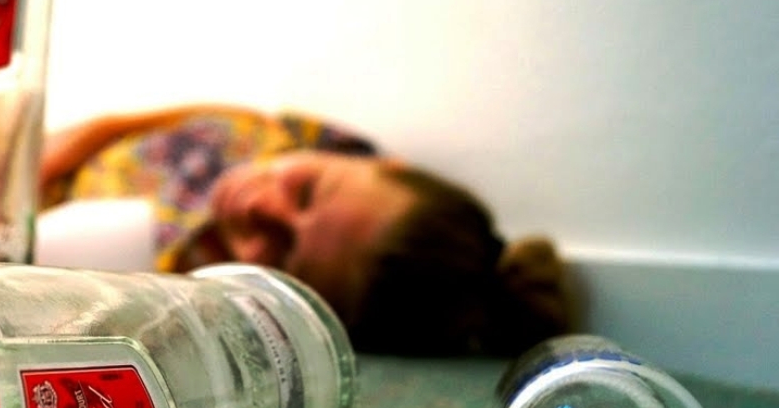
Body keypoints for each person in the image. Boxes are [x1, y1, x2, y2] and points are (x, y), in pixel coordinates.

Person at [38, 103, 575, 356]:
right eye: (306, 190)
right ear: (377, 164)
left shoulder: (175, 307)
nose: (259, 206)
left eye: (284, 249)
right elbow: (114, 127)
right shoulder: (260, 136)